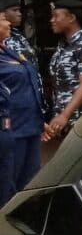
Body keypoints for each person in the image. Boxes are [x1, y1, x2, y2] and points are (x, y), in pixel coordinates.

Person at [42, 0, 82, 146]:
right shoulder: (63, 46)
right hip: (65, 121)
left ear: (71, 18)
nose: (52, 20)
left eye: (56, 16)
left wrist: (64, 115)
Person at [0, 12, 45, 200]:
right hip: (12, 129)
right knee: (8, 187)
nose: (7, 22)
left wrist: (40, 118)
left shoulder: (8, 50)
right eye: (2, 19)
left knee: (30, 186)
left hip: (31, 126)